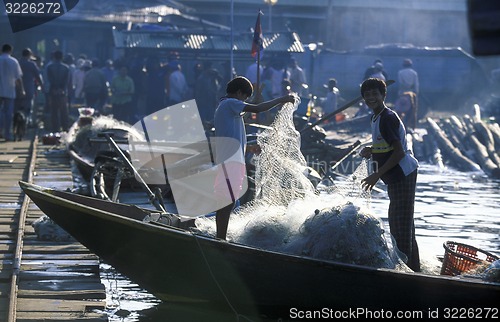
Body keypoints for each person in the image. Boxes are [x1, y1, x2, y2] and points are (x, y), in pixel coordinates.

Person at [213, 76, 297, 240]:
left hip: (231, 159)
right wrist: (283, 99)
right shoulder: (230, 103)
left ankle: (220, 236)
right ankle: (220, 238)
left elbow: (233, 133)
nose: (245, 101)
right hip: (230, 160)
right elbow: (258, 109)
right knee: (227, 200)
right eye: (245, 97)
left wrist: (249, 148)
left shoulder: (227, 106)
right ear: (238, 93)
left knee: (228, 200)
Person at [359, 78, 420, 272]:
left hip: (403, 173)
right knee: (403, 221)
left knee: (399, 223)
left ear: (383, 95)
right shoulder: (376, 117)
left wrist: (376, 175)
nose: (371, 98)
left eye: (375, 94)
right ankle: (414, 267)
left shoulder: (388, 117)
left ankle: (407, 272)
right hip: (394, 175)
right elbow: (385, 146)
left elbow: (399, 152)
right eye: (367, 95)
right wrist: (371, 150)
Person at [0, 44, 25, 141]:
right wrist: (22, 89)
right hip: (10, 91)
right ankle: (7, 134)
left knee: (0, 112)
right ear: (11, 50)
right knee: (8, 113)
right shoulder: (14, 61)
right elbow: (18, 78)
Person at [46, 50, 71, 132]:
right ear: (62, 57)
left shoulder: (50, 67)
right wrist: (62, 89)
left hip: (53, 91)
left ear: (54, 57)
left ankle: (55, 129)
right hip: (62, 92)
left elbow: (50, 80)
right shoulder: (66, 67)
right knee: (64, 111)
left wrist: (54, 89)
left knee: (54, 111)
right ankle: (65, 128)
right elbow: (66, 81)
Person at [19, 48, 44, 127]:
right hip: (29, 88)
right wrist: (42, 86)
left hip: (17, 89)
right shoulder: (31, 64)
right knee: (28, 108)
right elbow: (37, 76)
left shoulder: (17, 63)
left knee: (18, 107)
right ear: (29, 55)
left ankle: (16, 124)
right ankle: (26, 123)